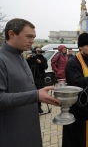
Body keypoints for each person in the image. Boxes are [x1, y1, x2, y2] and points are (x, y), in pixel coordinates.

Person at [0, 18, 61, 147]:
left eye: (34, 37)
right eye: (29, 36)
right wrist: (36, 95)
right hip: (12, 134)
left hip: (30, 127)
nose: (32, 41)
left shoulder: (21, 56)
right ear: (11, 34)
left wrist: (40, 96)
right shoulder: (2, 59)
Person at [27, 46, 48, 113]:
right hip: (32, 77)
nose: (39, 52)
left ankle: (39, 107)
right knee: (31, 92)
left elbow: (45, 67)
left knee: (39, 92)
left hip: (40, 78)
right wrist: (27, 59)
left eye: (40, 51)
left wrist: (40, 63)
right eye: (37, 51)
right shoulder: (31, 58)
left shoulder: (43, 58)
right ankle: (31, 107)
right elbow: (26, 66)